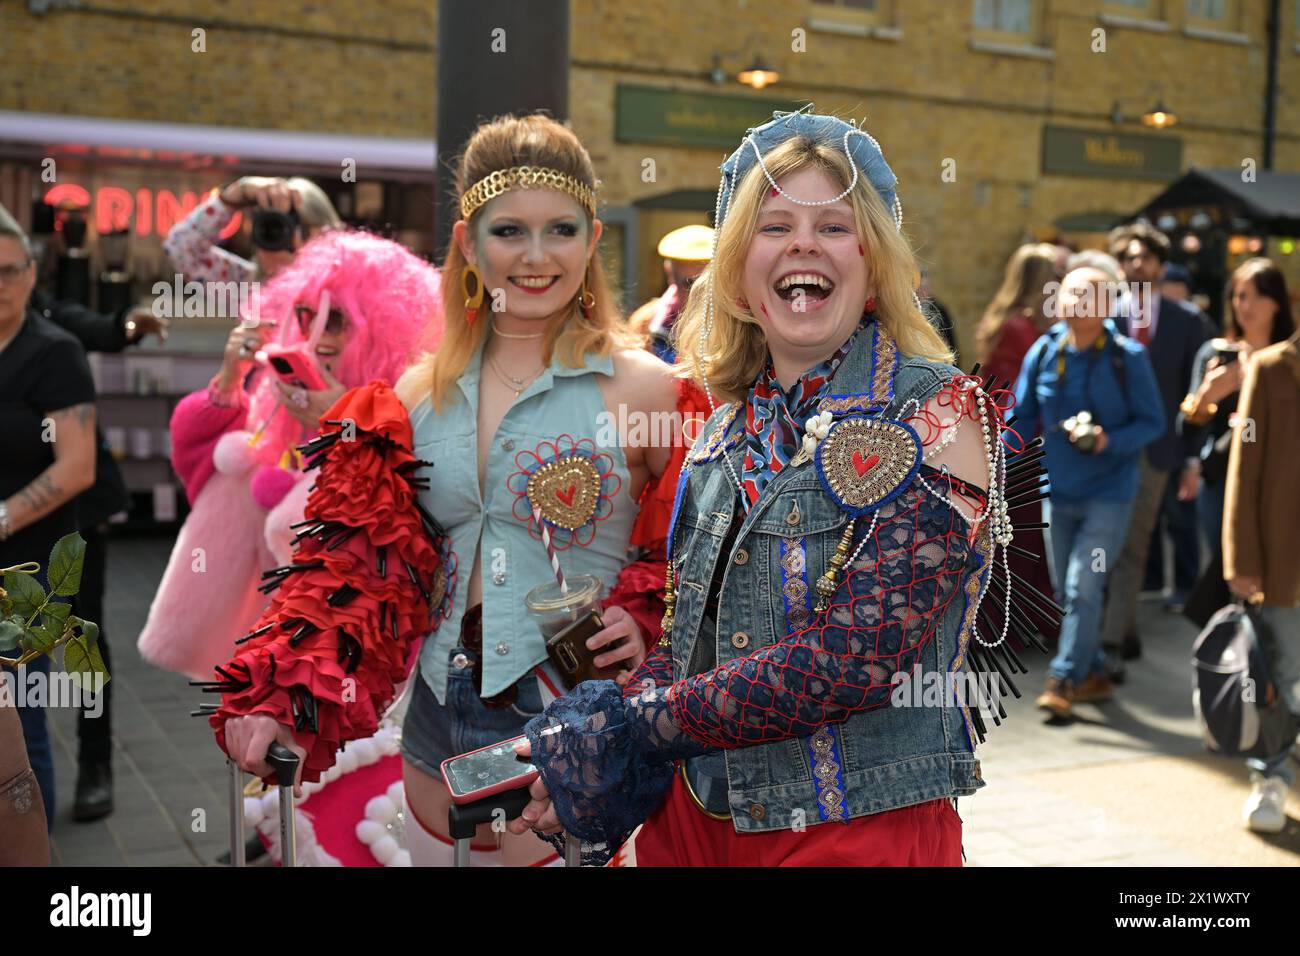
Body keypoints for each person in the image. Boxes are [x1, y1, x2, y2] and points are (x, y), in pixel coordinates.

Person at [505, 109, 1059, 867]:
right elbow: (687, 646)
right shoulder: (722, 429)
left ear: (874, 264)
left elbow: (854, 658)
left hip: (853, 833)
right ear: (735, 271)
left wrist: (631, 723)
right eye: (774, 227)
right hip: (689, 827)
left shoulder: (940, 411)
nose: (803, 243)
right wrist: (595, 769)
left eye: (833, 226)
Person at [211, 114, 691, 867]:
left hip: (577, 721)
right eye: (509, 232)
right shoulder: (410, 396)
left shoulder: (652, 391)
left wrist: (641, 612)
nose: (536, 258)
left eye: (560, 230)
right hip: (436, 722)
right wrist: (284, 694)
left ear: (593, 240)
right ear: (468, 244)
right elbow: (355, 567)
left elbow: (710, 550)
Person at [138, 231, 441, 683]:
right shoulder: (284, 404)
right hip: (272, 657)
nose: (320, 334)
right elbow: (199, 467)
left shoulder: (413, 416)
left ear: (381, 329)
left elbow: (378, 528)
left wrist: (344, 422)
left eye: (338, 319)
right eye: (307, 313)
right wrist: (228, 381)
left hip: (354, 672)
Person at [1, 201, 170, 822]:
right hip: (21, 526)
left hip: (75, 514)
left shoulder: (43, 319)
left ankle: (95, 764)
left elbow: (96, 328)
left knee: (82, 641)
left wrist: (130, 324)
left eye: (10, 270)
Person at [1015, 260, 1165, 719]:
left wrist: (1108, 441)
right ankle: (1096, 668)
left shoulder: (1127, 358)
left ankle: (1064, 679)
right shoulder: (1043, 350)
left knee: (1083, 587)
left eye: (1088, 295)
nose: (1075, 301)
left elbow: (1153, 422)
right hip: (1056, 492)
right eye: (1070, 292)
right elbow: (1018, 420)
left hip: (1110, 493)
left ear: (1107, 308)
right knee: (1067, 592)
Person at [0, 215, 98, 830]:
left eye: (10, 271)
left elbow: (78, 466)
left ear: (33, 274)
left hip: (25, 573)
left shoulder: (53, 352)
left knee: (19, 720)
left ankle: (28, 846)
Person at [1101, 223, 1213, 661]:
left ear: (1161, 266)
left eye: (1146, 257)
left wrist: (1191, 458)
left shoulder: (1187, 321)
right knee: (1110, 543)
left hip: (1158, 449)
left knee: (1134, 542)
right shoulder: (1104, 314)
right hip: (1107, 447)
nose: (1137, 263)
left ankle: (1110, 639)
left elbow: (1196, 392)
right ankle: (1121, 632)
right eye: (1129, 256)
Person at [1222, 279, 1300, 834]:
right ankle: (1270, 778)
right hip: (1282, 558)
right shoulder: (1273, 369)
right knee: (1281, 672)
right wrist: (1241, 559)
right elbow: (1243, 472)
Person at [1179, 259, 1296, 579]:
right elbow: (1186, 429)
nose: (1247, 305)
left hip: (1279, 478)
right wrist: (1207, 396)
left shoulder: (1288, 360)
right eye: (1240, 295)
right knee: (1227, 569)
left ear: (1276, 302)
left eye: (1257, 296)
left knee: (1275, 567)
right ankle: (1234, 628)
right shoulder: (1216, 354)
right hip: (1222, 475)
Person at [163, 176, 342, 284]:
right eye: (272, 226)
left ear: (329, 232)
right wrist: (234, 196)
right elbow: (179, 247)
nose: (285, 237)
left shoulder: (351, 291)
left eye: (300, 227)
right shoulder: (247, 287)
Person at [975, 243, 1059, 390]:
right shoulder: (1021, 325)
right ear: (1046, 279)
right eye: (1056, 274)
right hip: (1013, 405)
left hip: (995, 401)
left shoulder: (1002, 315)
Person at [628, 224, 713, 364]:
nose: (699, 294)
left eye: (709, 284)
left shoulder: (739, 323)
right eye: (689, 284)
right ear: (669, 272)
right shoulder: (644, 323)